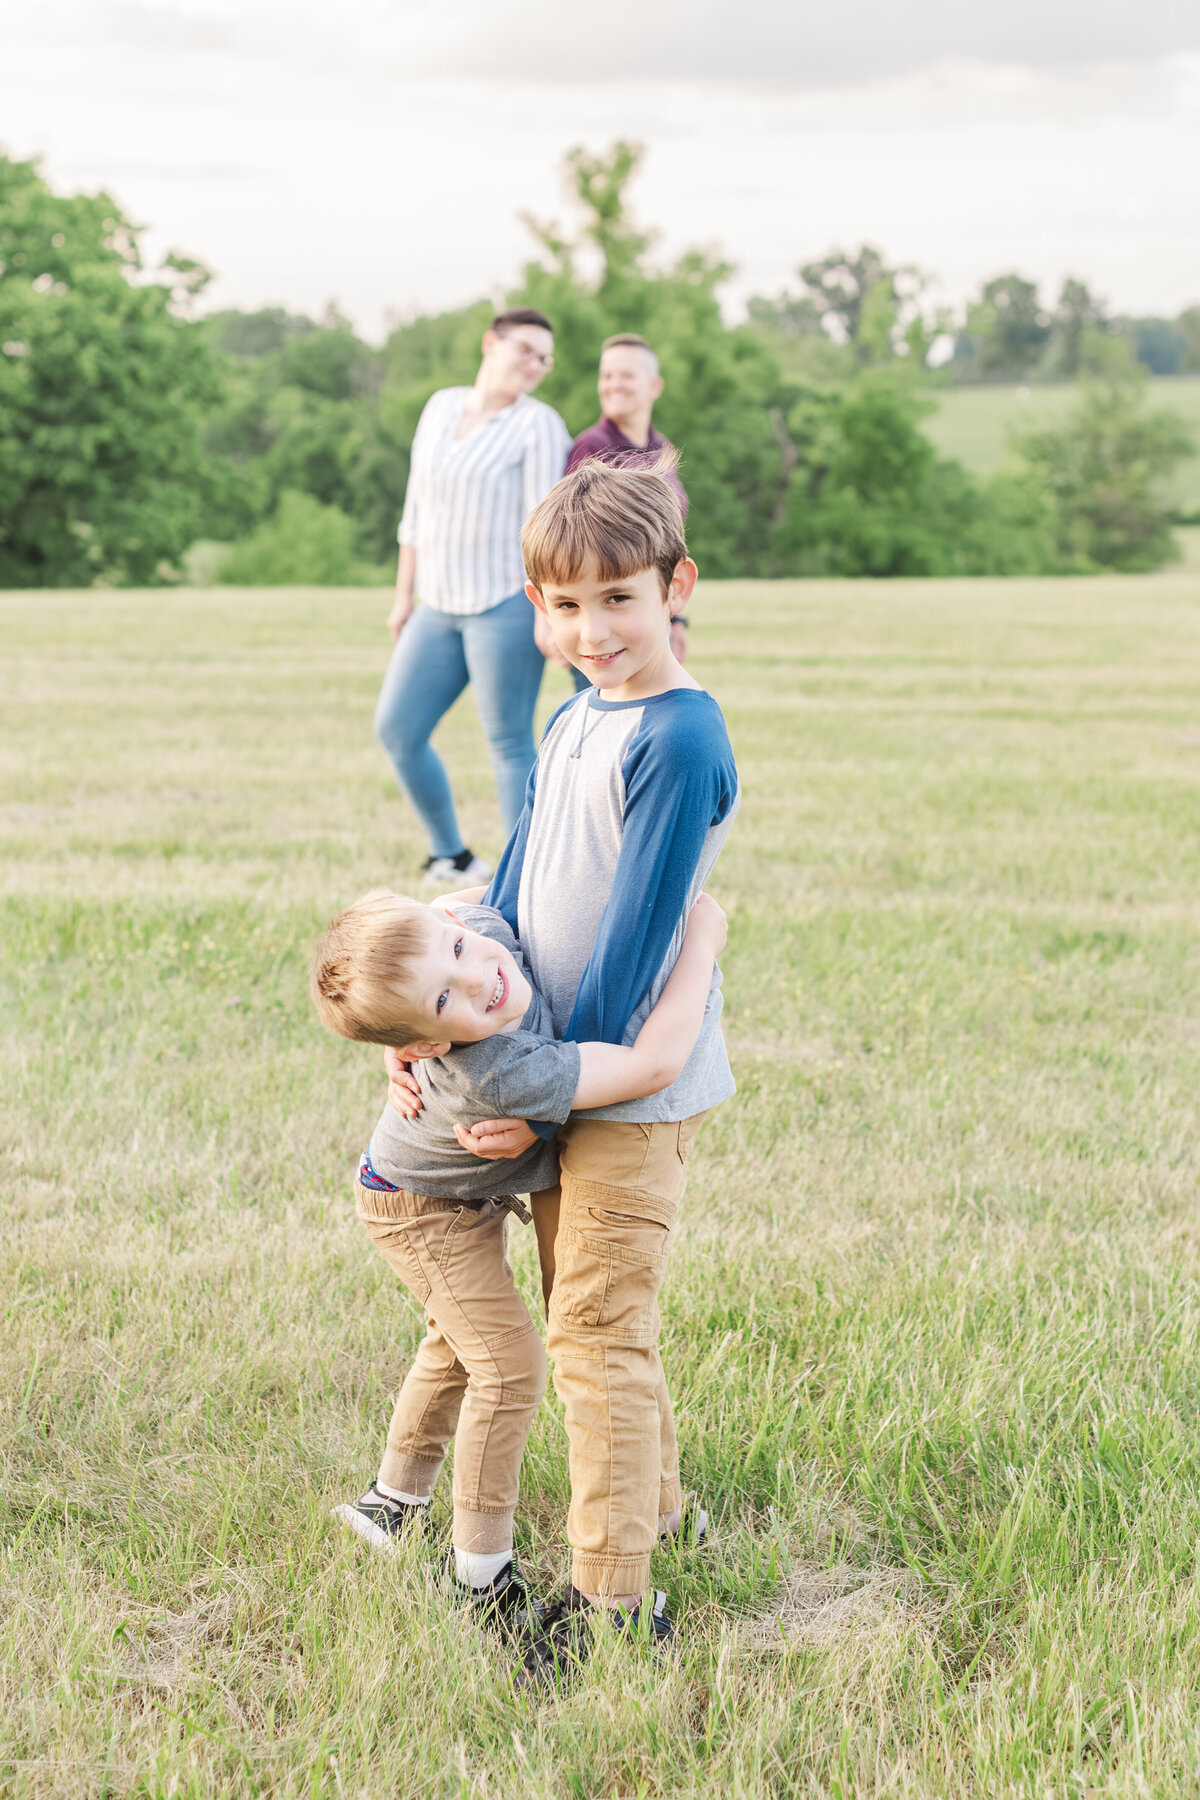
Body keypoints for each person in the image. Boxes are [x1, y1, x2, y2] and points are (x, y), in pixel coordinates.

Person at [408, 452, 740, 1668]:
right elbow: (510, 883)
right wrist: (452, 1044)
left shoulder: (681, 737)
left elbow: (633, 951)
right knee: (589, 1313)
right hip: (550, 1068)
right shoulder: (576, 714)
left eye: (618, 599)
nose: (590, 630)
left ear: (675, 587)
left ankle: (615, 1603)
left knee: (596, 1334)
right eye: (563, 606)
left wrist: (538, 1103)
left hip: (621, 1088)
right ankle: (658, 1510)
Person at [310, 884, 728, 1652]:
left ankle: (389, 1506)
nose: (478, 978)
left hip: (440, 1190)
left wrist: (400, 1029)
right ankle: (481, 1573)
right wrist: (701, 936)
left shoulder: (468, 930)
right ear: (433, 1044)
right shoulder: (497, 1069)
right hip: (419, 1208)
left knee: (458, 1343)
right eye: (444, 1000)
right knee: (507, 1367)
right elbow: (650, 1066)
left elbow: (449, 897)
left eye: (459, 953)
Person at [374, 308, 570, 889]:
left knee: (508, 741)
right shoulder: (440, 405)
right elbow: (416, 510)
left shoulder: (539, 425)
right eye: (525, 350)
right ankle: (451, 856)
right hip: (436, 604)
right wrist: (403, 595)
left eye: (545, 359)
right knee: (398, 728)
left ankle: (522, 882)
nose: (535, 365)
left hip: (503, 604)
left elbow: (543, 526)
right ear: (491, 343)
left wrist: (545, 614)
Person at [551, 333, 689, 677]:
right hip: (608, 625)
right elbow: (574, 545)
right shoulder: (592, 448)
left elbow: (671, 542)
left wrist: (678, 617)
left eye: (626, 375)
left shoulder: (662, 448)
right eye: (607, 375)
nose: (613, 385)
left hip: (653, 612)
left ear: (654, 386)